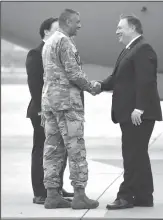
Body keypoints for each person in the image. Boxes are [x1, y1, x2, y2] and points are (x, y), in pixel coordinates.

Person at [94, 15, 163, 209]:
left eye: (120, 27)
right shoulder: (130, 49)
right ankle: (144, 197)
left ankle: (125, 196)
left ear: (132, 28)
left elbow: (146, 81)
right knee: (138, 155)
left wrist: (139, 108)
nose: (117, 31)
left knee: (132, 155)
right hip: (131, 113)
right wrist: (100, 85)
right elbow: (117, 78)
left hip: (138, 114)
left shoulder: (142, 49)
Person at [41, 9, 99, 209]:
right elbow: (73, 73)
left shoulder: (48, 42)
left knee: (52, 149)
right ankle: (79, 195)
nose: (80, 25)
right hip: (67, 103)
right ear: (67, 22)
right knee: (76, 149)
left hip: (50, 102)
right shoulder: (65, 41)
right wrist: (92, 87)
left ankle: (51, 194)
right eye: (77, 21)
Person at [25, 17, 74, 205]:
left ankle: (55, 188)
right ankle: (40, 191)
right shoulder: (36, 54)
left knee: (60, 150)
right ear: (46, 32)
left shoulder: (59, 52)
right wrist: (42, 110)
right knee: (42, 150)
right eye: (56, 30)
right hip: (41, 111)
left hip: (60, 111)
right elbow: (35, 85)